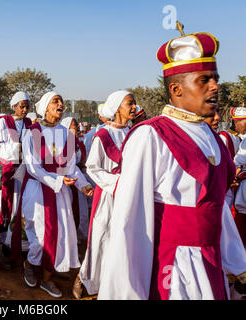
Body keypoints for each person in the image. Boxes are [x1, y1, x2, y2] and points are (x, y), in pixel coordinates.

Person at [98, 32, 246, 300]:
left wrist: (237, 262)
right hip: (175, 268)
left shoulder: (212, 135)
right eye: (204, 80)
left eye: (216, 79)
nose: (215, 87)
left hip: (211, 261)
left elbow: (216, 208)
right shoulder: (150, 135)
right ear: (176, 89)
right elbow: (129, 222)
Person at [11, 92, 93, 298]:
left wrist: (83, 185)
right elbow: (33, 167)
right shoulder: (33, 132)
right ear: (45, 107)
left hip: (61, 192)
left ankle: (47, 279)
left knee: (61, 234)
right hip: (39, 191)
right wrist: (58, 181)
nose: (60, 104)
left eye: (61, 101)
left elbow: (71, 167)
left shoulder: (67, 134)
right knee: (40, 234)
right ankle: (30, 264)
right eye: (55, 101)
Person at [73, 91, 136, 299]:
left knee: (125, 238)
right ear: (118, 107)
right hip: (109, 194)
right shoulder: (103, 135)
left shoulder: (135, 134)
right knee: (102, 236)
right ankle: (87, 278)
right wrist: (118, 183)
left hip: (131, 194)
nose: (134, 107)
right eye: (130, 103)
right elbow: (92, 167)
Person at [0, 92, 32, 270]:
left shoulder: (29, 123)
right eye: (22, 106)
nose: (25, 110)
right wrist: (18, 148)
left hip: (22, 173)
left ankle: (13, 245)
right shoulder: (4, 121)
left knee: (18, 209)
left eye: (27, 106)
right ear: (14, 106)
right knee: (1, 207)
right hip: (4, 173)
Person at [60, 117, 90, 244]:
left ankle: (80, 238)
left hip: (78, 179)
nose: (77, 128)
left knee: (81, 212)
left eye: (77, 125)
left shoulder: (78, 143)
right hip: (66, 182)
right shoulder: (62, 143)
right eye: (73, 126)